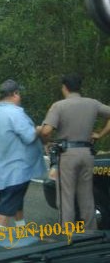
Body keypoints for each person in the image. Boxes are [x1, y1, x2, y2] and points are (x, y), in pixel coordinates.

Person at [39, 74, 110, 230]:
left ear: (64, 87)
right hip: (87, 154)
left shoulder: (59, 106)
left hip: (67, 155)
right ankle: (91, 234)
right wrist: (100, 134)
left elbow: (46, 131)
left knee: (66, 198)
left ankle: (68, 236)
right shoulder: (93, 104)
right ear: (79, 87)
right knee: (86, 196)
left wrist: (46, 142)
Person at [0, 79, 46, 228]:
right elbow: (29, 136)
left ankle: (21, 229)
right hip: (16, 169)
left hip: (3, 168)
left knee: (15, 202)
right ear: (15, 94)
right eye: (19, 94)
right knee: (6, 207)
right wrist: (39, 129)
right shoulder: (14, 113)